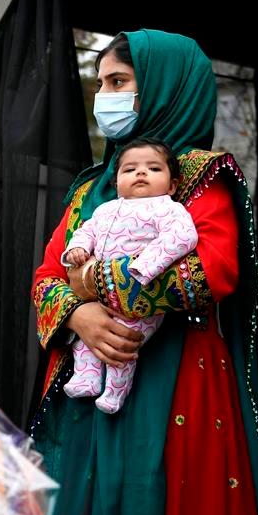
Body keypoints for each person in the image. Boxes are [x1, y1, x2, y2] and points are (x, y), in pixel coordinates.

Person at [31, 29, 258, 515]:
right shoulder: (93, 184)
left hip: (178, 385)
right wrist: (79, 314)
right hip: (88, 383)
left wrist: (92, 284)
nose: (106, 96)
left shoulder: (200, 176)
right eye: (102, 84)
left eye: (120, 83)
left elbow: (207, 273)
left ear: (166, 87)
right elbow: (44, 276)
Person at [61, 138, 198, 413]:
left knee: (122, 343)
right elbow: (86, 232)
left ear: (172, 185)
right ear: (116, 183)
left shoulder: (168, 209)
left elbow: (183, 237)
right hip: (97, 300)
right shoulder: (104, 211)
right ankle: (86, 378)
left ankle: (114, 392)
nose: (141, 173)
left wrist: (144, 266)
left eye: (153, 169)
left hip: (140, 300)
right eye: (129, 169)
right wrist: (77, 248)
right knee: (84, 341)